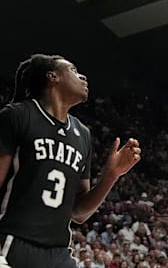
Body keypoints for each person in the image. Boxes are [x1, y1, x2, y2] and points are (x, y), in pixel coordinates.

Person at [0, 54, 142, 268]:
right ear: (52, 77)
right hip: (12, 244)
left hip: (58, 253)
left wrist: (111, 175)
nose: (83, 77)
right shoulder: (18, 116)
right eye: (73, 71)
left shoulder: (82, 134)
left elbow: (78, 213)